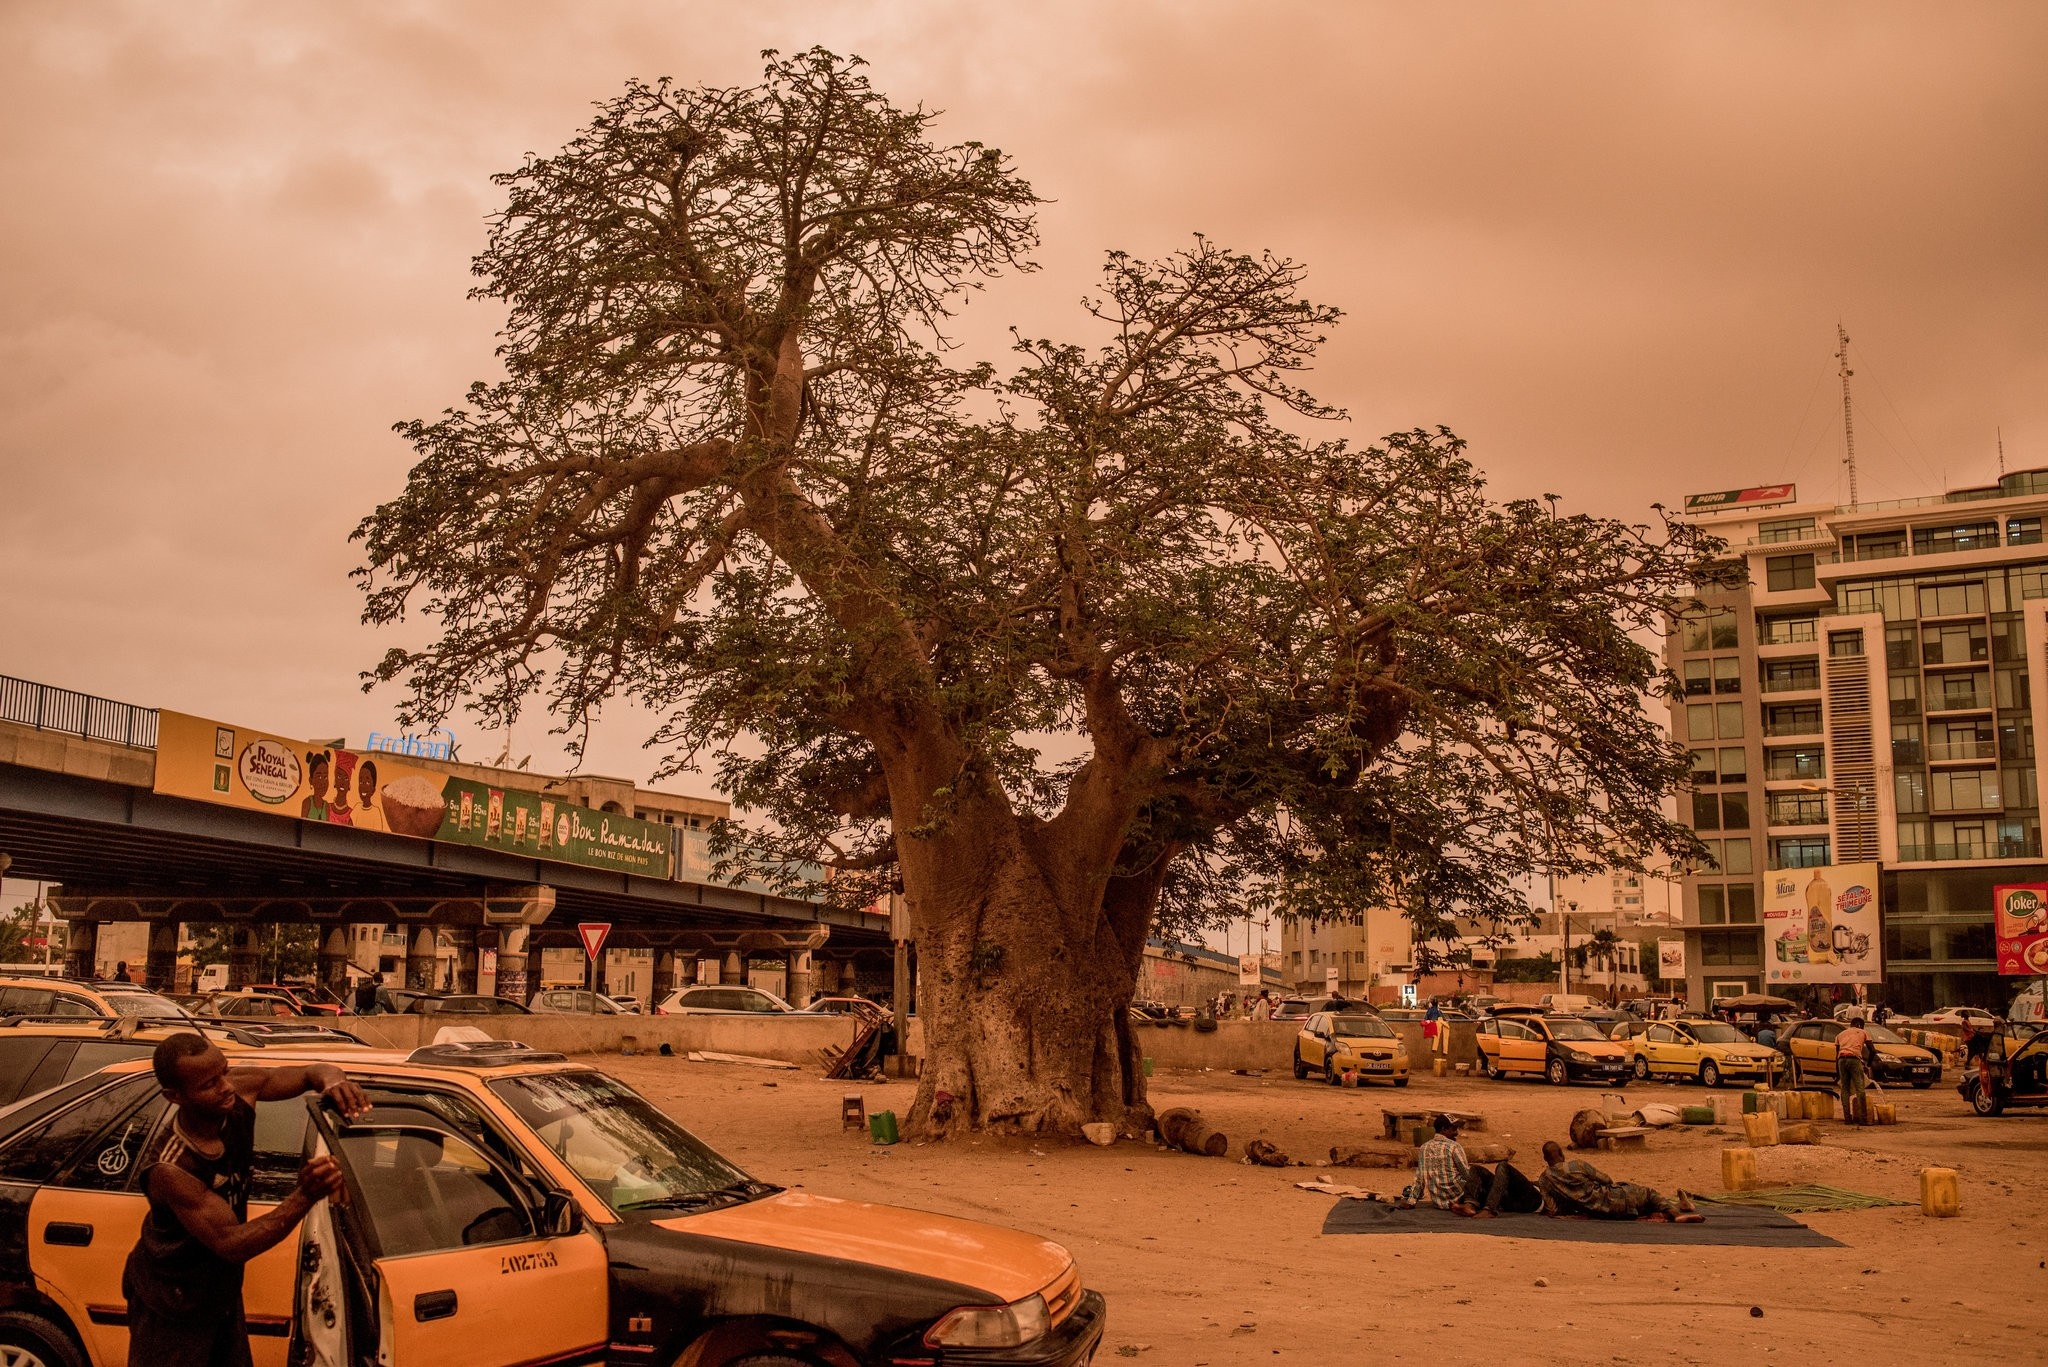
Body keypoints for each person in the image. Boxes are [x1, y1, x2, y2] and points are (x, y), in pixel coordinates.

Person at [125, 1033, 369, 1367]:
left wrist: (333, 1080)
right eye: (209, 1084)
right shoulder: (172, 1168)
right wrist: (305, 1195)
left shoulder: (236, 1088)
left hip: (217, 1293)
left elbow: (310, 1073)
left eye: (224, 1072)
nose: (226, 1086)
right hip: (172, 1303)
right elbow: (232, 1243)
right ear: (175, 1096)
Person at [1536, 1141, 1701, 1222]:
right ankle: (1677, 1214)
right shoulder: (1576, 1165)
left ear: (1545, 1158)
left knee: (1648, 1205)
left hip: (1599, 1213)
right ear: (1561, 1153)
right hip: (1615, 1199)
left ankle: (1682, 1206)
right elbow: (1607, 1179)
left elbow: (1551, 1210)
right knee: (1649, 1194)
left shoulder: (1544, 1180)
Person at [1835, 1013, 1872, 1123]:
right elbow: (1872, 1050)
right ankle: (1863, 1118)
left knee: (1844, 1088)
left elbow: (1836, 1056)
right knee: (1860, 1088)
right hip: (1854, 1059)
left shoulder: (1840, 1034)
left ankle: (1847, 1118)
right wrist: (1868, 1065)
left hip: (1841, 1060)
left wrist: (1837, 1074)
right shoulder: (1863, 1032)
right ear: (1860, 1025)